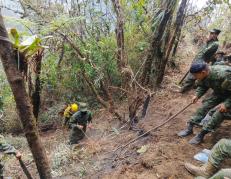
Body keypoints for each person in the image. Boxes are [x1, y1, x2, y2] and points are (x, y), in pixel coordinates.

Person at [178, 63, 231, 145]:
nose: (194, 77)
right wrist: (197, 95)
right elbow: (202, 85)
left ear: (203, 72)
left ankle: (201, 134)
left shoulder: (224, 74)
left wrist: (227, 104)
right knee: (205, 106)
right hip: (220, 92)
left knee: (220, 113)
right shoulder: (204, 75)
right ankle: (190, 128)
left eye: (195, 75)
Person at [180, 29, 220, 93]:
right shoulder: (210, 42)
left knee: (193, 75)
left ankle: (183, 89)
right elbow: (201, 51)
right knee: (192, 73)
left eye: (213, 33)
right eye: (211, 33)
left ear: (216, 35)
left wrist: (207, 42)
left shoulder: (215, 43)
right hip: (198, 59)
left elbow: (205, 51)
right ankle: (187, 86)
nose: (211, 35)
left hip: (201, 61)